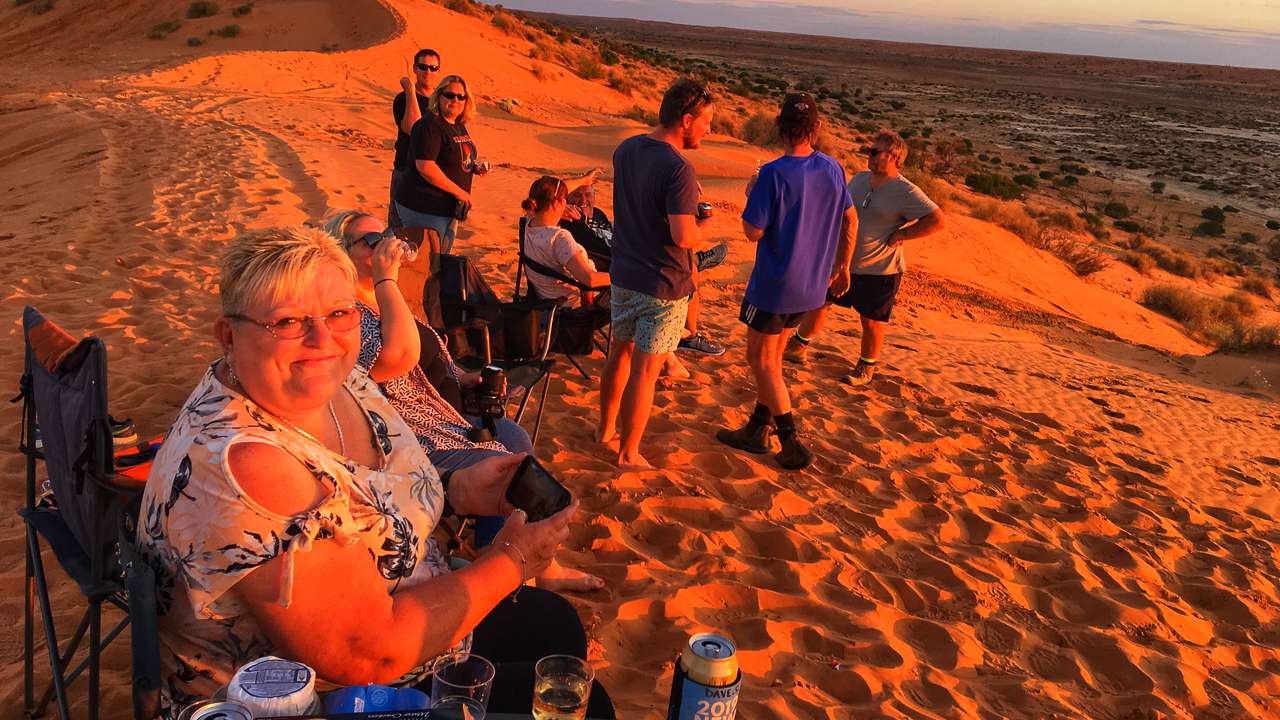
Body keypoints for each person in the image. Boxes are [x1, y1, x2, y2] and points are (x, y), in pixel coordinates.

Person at [137, 226, 612, 717]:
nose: (322, 339)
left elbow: (367, 490)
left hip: (405, 609)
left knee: (553, 627)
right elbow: (367, 654)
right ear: (229, 336)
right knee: (587, 703)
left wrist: (458, 488)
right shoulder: (248, 465)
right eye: (286, 321)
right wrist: (513, 560)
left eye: (339, 313)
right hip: (313, 695)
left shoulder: (344, 381)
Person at [324, 210, 604, 592]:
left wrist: (464, 376)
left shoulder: (382, 298)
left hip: (445, 411)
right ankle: (510, 568)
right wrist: (388, 278)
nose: (386, 244)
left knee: (516, 438)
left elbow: (431, 356)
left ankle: (509, 555)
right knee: (501, 461)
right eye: (372, 241)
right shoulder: (347, 316)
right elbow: (397, 358)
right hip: (407, 434)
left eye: (386, 234)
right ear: (341, 254)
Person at [716, 94, 855, 470]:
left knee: (760, 360)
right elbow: (850, 219)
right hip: (810, 286)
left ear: (779, 127)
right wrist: (842, 267)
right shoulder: (831, 168)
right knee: (773, 357)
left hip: (774, 285)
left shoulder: (773, 175)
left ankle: (791, 441)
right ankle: (756, 428)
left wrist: (751, 194)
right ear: (816, 128)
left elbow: (753, 232)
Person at [598, 78, 716, 469]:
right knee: (646, 373)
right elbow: (683, 237)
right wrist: (706, 227)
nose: (708, 130)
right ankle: (629, 453)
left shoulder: (626, 148)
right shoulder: (678, 167)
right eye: (706, 122)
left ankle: (605, 431)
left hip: (624, 274)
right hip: (663, 285)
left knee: (618, 357)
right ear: (686, 120)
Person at [786, 129, 946, 385]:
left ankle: (865, 368)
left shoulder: (907, 191)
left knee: (872, 322)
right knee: (820, 304)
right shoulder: (859, 180)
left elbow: (937, 220)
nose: (868, 155)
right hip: (845, 263)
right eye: (869, 150)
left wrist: (903, 234)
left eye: (875, 151)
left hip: (880, 270)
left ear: (894, 156)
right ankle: (798, 347)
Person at [562, 184, 728, 360]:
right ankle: (696, 262)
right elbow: (598, 253)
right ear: (565, 202)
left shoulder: (599, 214)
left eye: (588, 195)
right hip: (620, 276)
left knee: (684, 266)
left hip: (630, 261)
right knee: (685, 268)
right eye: (576, 196)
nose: (583, 200)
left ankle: (694, 263)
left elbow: (615, 239)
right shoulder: (571, 223)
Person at [394, 75, 487, 254]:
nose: (455, 100)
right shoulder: (429, 125)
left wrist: (473, 166)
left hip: (448, 208)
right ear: (438, 96)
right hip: (424, 206)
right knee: (425, 263)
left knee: (440, 259)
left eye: (461, 97)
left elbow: (454, 155)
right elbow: (426, 167)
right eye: (449, 95)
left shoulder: (457, 124)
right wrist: (460, 192)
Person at [522, 176, 611, 308]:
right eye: (565, 200)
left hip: (545, 299)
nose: (566, 204)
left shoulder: (529, 224)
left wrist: (585, 179)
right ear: (557, 203)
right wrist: (624, 276)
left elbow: (546, 192)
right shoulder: (560, 238)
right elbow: (591, 280)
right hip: (573, 305)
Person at [389, 48, 441, 227]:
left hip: (433, 176)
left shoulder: (443, 102)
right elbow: (413, 128)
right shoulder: (403, 99)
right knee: (399, 230)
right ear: (415, 69)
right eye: (423, 66)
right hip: (406, 172)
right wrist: (411, 91)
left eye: (433, 68)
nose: (428, 71)